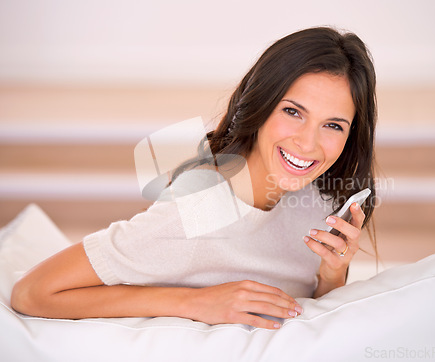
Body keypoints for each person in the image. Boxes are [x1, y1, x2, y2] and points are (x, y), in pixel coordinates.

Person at [10, 26, 377, 330]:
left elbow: (318, 318)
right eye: (293, 111)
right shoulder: (198, 210)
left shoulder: (322, 198)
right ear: (262, 104)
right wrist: (194, 302)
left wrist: (333, 272)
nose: (309, 143)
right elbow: (31, 292)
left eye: (332, 125)